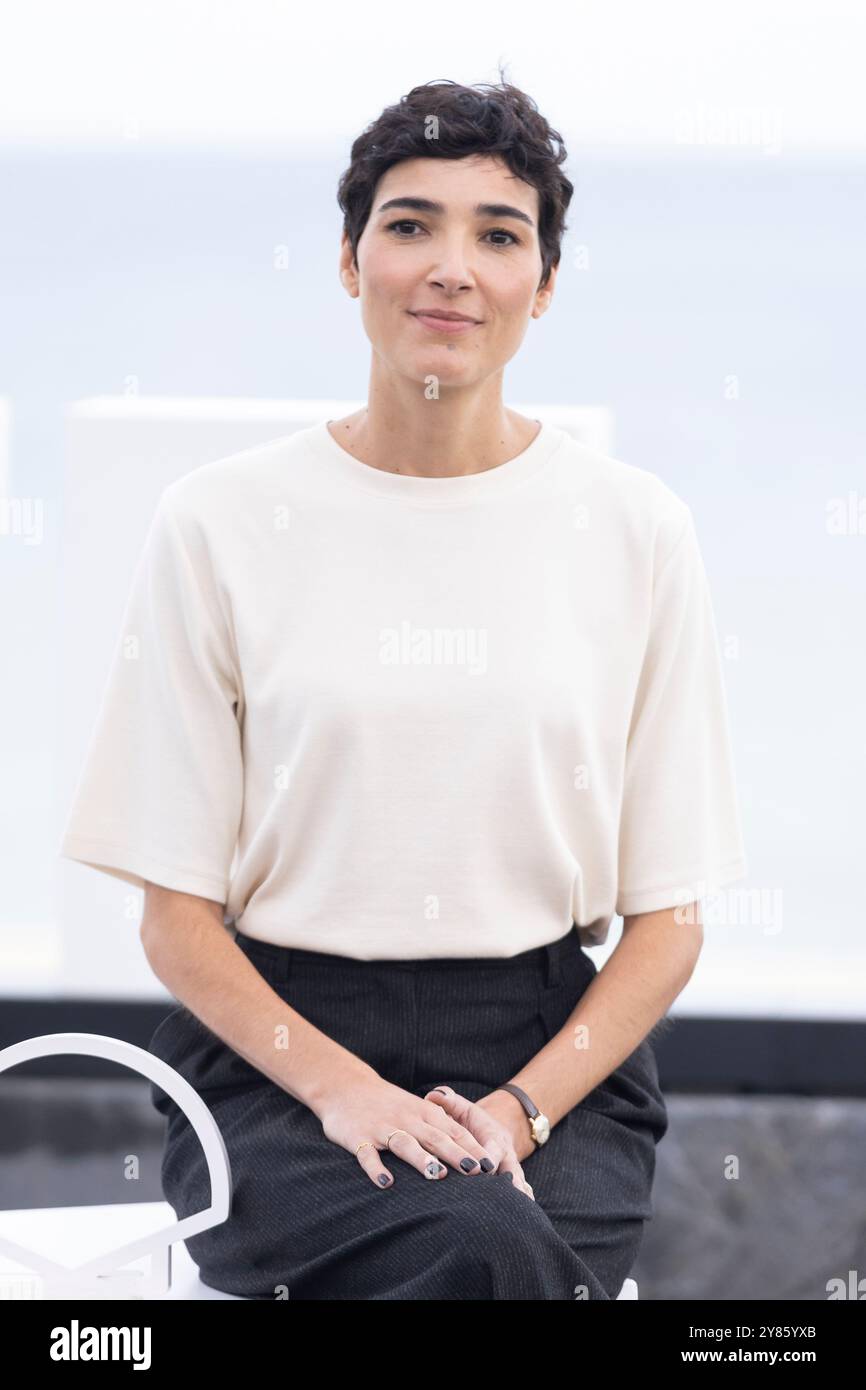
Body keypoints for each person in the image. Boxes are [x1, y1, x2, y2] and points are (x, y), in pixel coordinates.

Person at [59, 73, 748, 1300]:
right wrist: (347, 1092)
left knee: (483, 1236)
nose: (449, 267)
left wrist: (519, 1114)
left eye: (498, 235)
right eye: (408, 223)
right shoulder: (217, 522)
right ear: (347, 259)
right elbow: (174, 916)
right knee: (482, 1250)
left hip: (551, 1055)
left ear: (540, 287)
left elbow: (667, 923)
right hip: (277, 1054)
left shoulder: (634, 528)